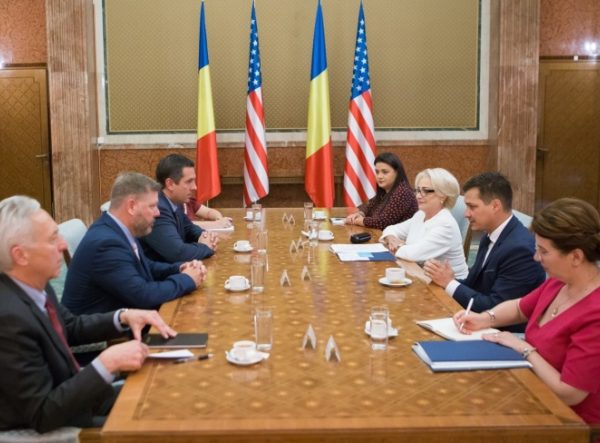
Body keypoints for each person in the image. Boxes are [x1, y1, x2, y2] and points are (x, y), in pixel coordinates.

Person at [0, 195, 177, 432]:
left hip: (78, 396)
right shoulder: (8, 319)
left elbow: (69, 326)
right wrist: (108, 362)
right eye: (52, 239)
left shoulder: (33, 283)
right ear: (20, 255)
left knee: (168, 396)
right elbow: (42, 414)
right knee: (164, 426)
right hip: (60, 425)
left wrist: (123, 316)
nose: (63, 245)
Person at [455, 198, 600, 425]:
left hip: (570, 424)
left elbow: (570, 393)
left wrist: (524, 349)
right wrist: (484, 318)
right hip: (532, 394)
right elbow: (519, 307)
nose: (536, 258)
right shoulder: (558, 283)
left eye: (544, 252)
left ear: (576, 257)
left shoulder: (595, 314)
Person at [62, 172, 206, 315]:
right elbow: (144, 296)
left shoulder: (115, 227)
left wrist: (179, 268)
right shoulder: (106, 243)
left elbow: (145, 266)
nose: (157, 213)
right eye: (152, 206)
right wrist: (187, 279)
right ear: (131, 206)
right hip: (111, 328)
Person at [423, 172, 546, 331]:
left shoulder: (520, 250)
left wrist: (449, 283)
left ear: (495, 206)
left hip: (503, 333)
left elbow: (496, 309)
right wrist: (447, 280)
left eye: (472, 207)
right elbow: (475, 286)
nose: (466, 214)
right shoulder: (490, 235)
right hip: (477, 322)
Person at [380, 168, 468, 279]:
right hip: (421, 275)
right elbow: (391, 229)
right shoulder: (421, 215)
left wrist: (398, 245)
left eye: (426, 191)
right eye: (417, 190)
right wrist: (391, 238)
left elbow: (413, 255)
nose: (418, 196)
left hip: (450, 285)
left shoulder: (446, 225)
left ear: (443, 195)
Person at [140, 154, 219, 263]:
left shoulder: (175, 202)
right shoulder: (157, 209)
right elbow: (178, 253)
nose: (195, 187)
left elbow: (190, 229)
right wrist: (206, 247)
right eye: (189, 181)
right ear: (170, 184)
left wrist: (207, 236)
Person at [345, 152, 417, 230]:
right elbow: (369, 208)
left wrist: (360, 221)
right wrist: (360, 214)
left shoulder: (403, 192)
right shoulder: (384, 190)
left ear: (397, 172)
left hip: (400, 237)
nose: (379, 176)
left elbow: (383, 222)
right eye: (377, 172)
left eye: (385, 172)